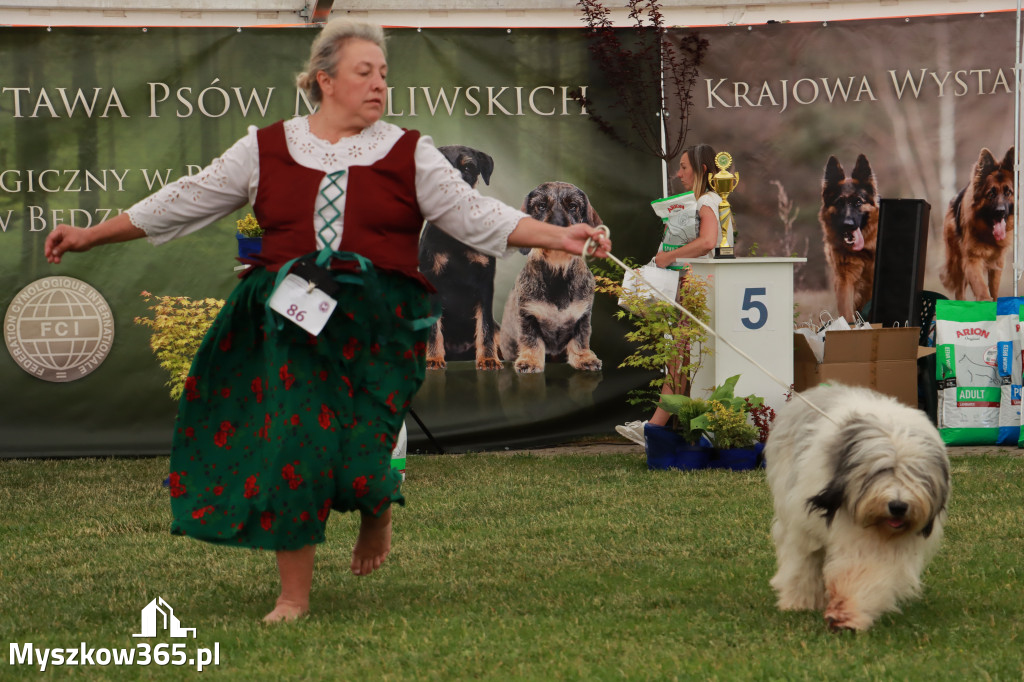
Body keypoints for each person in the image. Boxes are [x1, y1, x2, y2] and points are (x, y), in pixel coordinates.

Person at [44, 19, 610, 623]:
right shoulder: (264, 147)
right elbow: (188, 195)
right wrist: (91, 234)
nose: (378, 85)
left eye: (384, 75)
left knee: (367, 444)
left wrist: (563, 235)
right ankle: (293, 594)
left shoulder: (408, 150)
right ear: (324, 80)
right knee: (297, 440)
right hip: (294, 320)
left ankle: (377, 508)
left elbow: (478, 216)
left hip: (382, 322)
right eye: (364, 72)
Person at [615, 143, 723, 447]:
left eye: (684, 167)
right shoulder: (702, 202)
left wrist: (666, 258)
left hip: (701, 289)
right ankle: (657, 429)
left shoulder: (709, 201)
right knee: (680, 359)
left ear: (702, 170)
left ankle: (655, 430)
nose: (679, 173)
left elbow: (707, 242)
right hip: (695, 287)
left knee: (680, 359)